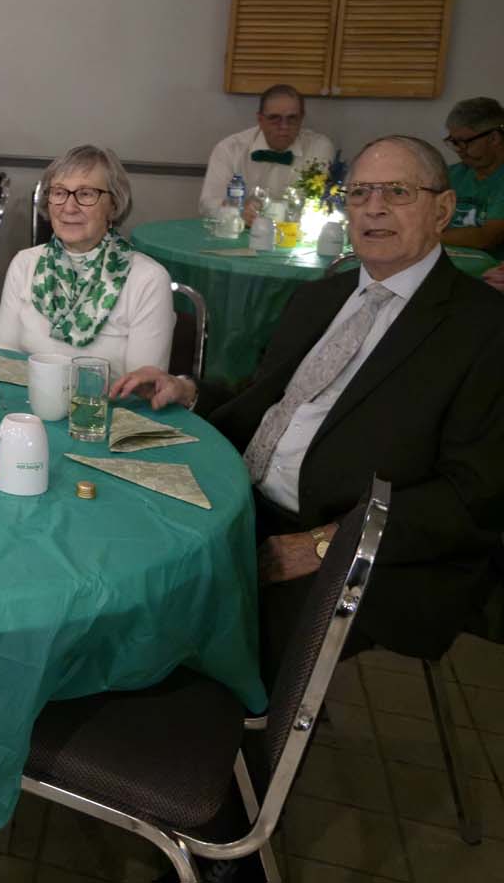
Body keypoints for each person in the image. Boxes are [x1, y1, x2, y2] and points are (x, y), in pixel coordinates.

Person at [114, 135, 504, 675]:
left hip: (362, 548)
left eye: (397, 191)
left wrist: (324, 545)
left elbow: (473, 494)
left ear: (443, 209)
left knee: (182, 641)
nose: (373, 208)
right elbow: (263, 399)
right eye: (360, 192)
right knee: (121, 559)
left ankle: (228, 722)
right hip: (244, 504)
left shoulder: (484, 327)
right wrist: (188, 390)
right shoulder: (321, 297)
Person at [0, 145, 173, 379]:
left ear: (114, 205)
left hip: (103, 402)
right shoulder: (25, 264)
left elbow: (142, 388)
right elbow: (1, 359)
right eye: (59, 193)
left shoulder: (147, 279)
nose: (69, 207)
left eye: (86, 194)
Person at [198, 85, 336, 221]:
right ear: (260, 120)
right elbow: (208, 204)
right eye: (274, 118)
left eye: (292, 118)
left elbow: (322, 206)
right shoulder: (230, 149)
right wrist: (238, 211)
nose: (284, 126)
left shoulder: (319, 149)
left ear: (301, 119)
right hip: (241, 230)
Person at [438, 95, 504, 258]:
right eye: (454, 142)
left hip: (489, 269)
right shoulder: (451, 174)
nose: (459, 150)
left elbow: (487, 238)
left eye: (465, 141)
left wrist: (426, 237)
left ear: (494, 138)